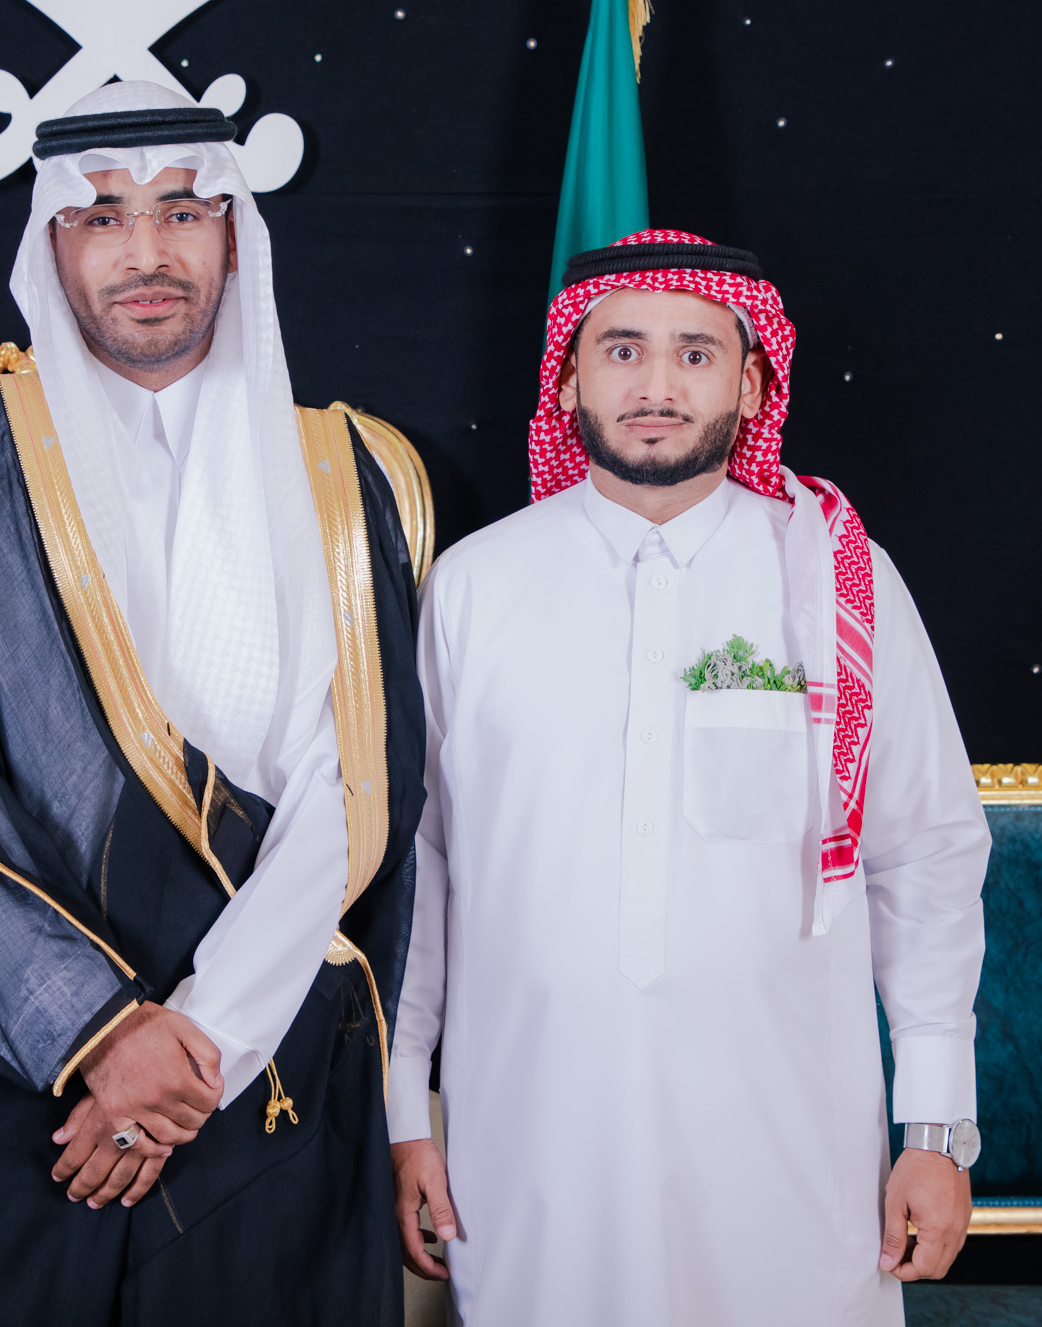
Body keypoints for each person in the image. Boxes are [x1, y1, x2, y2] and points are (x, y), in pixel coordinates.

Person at [0, 81, 424, 1327]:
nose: (145, 252)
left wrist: (202, 1041)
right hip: (24, 1079)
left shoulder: (335, 472)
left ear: (233, 235)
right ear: (50, 245)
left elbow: (360, 783)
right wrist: (97, 1033)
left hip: (265, 1057)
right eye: (100, 217)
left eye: (180, 212)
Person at [389, 230, 990, 1324]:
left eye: (696, 353)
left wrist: (937, 1131)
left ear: (752, 383)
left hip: (792, 1148)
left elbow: (926, 855)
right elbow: (418, 865)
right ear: (567, 377)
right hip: (529, 1143)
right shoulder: (474, 587)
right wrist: (402, 1113)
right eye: (621, 350)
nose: (656, 385)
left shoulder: (839, 579)